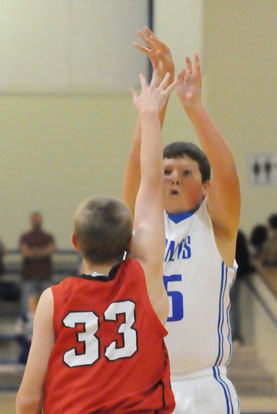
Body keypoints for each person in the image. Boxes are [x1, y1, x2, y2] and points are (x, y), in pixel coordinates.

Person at [16, 71, 176, 414]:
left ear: (74, 241)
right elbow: (150, 184)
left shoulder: (52, 300)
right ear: (130, 242)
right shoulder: (145, 278)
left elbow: (29, 397)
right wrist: (150, 115)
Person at [123, 27, 241, 413]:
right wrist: (155, 102)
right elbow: (138, 166)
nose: (172, 177)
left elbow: (226, 173)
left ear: (204, 186)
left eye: (185, 172)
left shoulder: (216, 227)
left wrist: (193, 106)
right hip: (148, 384)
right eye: (167, 170)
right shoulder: (142, 227)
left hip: (203, 386)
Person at [19, 212, 55, 311]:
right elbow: (25, 252)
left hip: (45, 275)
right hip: (29, 276)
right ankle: (27, 321)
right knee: (26, 305)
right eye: (35, 220)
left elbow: (51, 249)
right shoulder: (25, 236)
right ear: (31, 221)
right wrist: (42, 251)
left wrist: (34, 251)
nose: (37, 222)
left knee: (48, 304)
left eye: (38, 220)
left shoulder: (48, 236)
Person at [16, 292, 40, 365]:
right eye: (30, 302)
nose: (31, 305)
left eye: (33, 303)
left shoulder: (42, 315)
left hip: (39, 346)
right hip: (27, 345)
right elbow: (18, 332)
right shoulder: (24, 317)